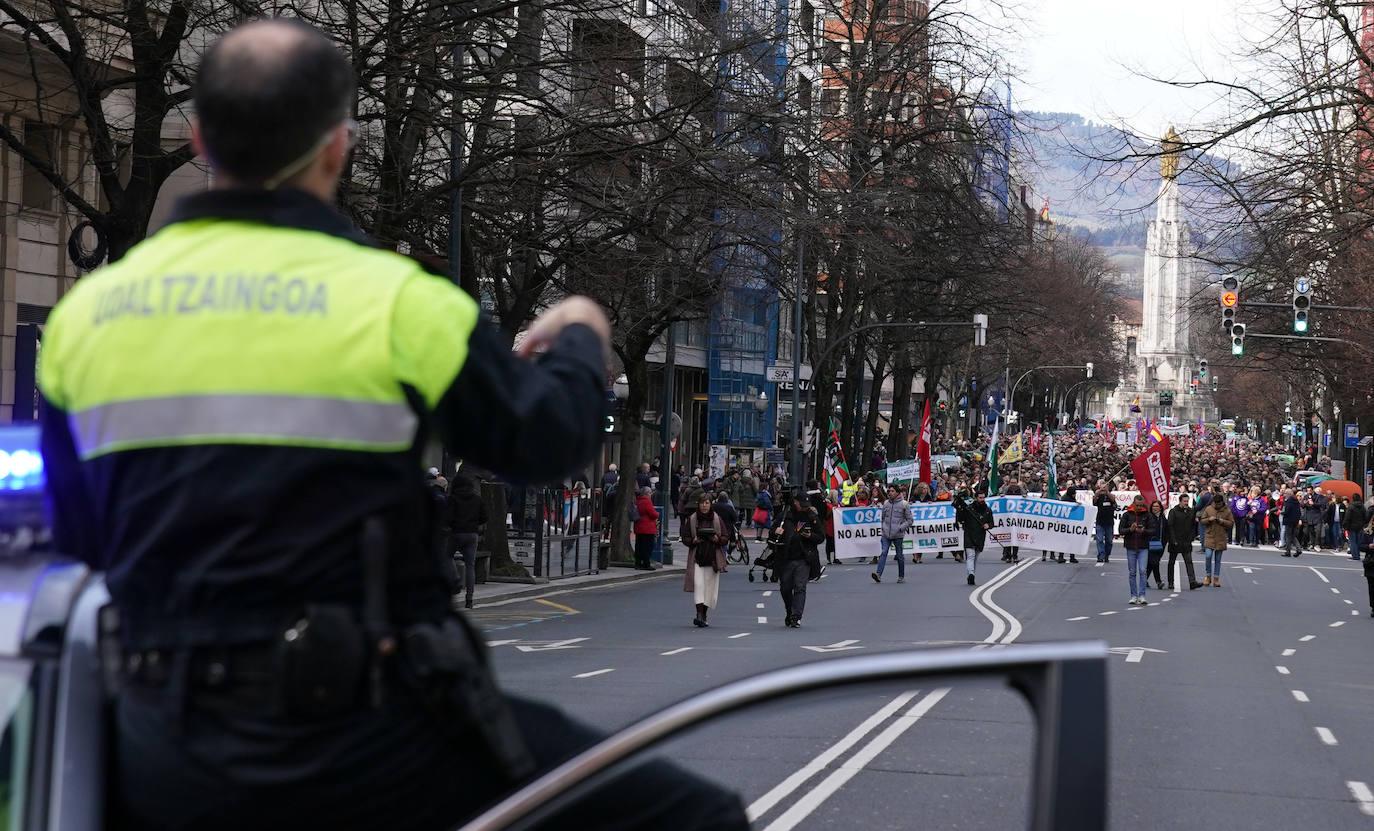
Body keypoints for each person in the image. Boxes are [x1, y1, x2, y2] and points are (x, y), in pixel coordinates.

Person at [36, 20, 745, 831]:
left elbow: (79, 538)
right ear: (338, 145)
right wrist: (582, 339)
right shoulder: (398, 301)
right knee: (697, 816)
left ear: (199, 138)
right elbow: (545, 441)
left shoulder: (85, 319)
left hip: (157, 737)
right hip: (361, 736)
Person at [776, 491, 822, 627]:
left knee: (800, 587)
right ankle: (789, 610)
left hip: (804, 557)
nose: (804, 507)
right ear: (795, 502)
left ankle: (796, 616)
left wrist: (810, 536)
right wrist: (776, 532)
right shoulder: (786, 516)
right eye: (802, 504)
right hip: (786, 557)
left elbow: (821, 536)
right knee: (785, 588)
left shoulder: (812, 516)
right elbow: (773, 532)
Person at [683, 494, 728, 627]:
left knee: (709, 589)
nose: (704, 506)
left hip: (712, 559)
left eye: (707, 503)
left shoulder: (717, 519)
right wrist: (693, 541)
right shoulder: (692, 519)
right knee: (699, 586)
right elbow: (685, 537)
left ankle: (704, 615)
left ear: (710, 504)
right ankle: (698, 614)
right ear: (698, 504)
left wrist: (717, 539)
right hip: (697, 558)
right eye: (702, 503)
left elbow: (725, 537)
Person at [447, 471, 488, 609]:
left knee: (447, 556)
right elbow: (484, 517)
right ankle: (469, 599)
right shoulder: (477, 499)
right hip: (472, 534)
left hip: (456, 533)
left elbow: (448, 517)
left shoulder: (453, 498)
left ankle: (456, 579)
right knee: (470, 565)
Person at [954, 489, 994, 586]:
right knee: (970, 556)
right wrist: (960, 509)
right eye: (980, 498)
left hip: (980, 536)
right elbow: (961, 518)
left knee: (975, 557)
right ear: (976, 498)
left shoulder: (988, 510)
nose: (982, 499)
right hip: (969, 534)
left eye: (983, 498)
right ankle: (971, 574)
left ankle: (971, 574)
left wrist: (988, 525)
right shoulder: (969, 509)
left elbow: (991, 523)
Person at [873, 486, 912, 582]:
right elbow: (883, 518)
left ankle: (901, 576)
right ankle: (878, 574)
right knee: (884, 552)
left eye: (892, 491)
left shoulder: (904, 504)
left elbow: (910, 520)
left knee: (899, 555)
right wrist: (883, 527)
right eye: (889, 491)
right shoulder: (886, 503)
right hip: (886, 534)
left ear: (897, 492)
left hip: (898, 534)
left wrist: (901, 528)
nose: (890, 493)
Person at [1166, 492, 1203, 590]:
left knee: (1189, 562)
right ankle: (1170, 582)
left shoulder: (1191, 511)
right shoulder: (1173, 511)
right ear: (1180, 501)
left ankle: (1192, 582)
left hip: (1186, 541)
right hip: (1175, 541)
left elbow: (1193, 526)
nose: (1186, 503)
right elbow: (1170, 526)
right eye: (1184, 501)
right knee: (1171, 562)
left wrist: (1191, 537)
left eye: (1187, 501)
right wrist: (1173, 539)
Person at [1119, 495, 1151, 605]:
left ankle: (1142, 595)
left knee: (1143, 571)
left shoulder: (1147, 515)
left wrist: (1144, 531)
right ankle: (1133, 595)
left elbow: (1153, 530)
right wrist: (1130, 529)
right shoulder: (1127, 514)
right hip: (1131, 546)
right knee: (1132, 572)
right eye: (1137, 505)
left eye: (1141, 505)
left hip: (1143, 547)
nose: (1139, 507)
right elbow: (1120, 530)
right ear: (1133, 504)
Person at [1200, 486, 1234, 586]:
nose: (1216, 505)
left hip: (1221, 537)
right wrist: (1208, 520)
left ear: (1222, 502)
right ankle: (1208, 576)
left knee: (1218, 560)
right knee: (1208, 556)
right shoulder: (1209, 509)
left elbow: (1231, 523)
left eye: (1218, 503)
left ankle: (1216, 578)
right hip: (1210, 536)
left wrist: (1222, 521)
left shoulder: (1227, 511)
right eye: (1215, 503)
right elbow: (1202, 521)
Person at [633, 487, 660, 570]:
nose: (651, 494)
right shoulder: (647, 501)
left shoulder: (638, 501)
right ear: (646, 493)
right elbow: (653, 514)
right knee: (647, 547)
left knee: (639, 546)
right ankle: (646, 563)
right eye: (650, 493)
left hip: (638, 526)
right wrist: (657, 514)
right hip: (647, 528)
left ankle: (638, 563)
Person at [1145, 499, 1167, 590]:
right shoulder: (1149, 517)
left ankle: (1144, 579)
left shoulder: (1162, 518)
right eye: (1153, 506)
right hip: (1151, 542)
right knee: (1155, 562)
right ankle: (1158, 582)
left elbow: (1166, 530)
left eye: (1157, 506)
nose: (1155, 508)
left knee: (1152, 563)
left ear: (1160, 508)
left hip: (1161, 543)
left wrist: (1165, 541)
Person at [1093, 486, 1116, 565]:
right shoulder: (1098, 496)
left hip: (1109, 522)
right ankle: (1101, 555)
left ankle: (1107, 555)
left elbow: (1113, 500)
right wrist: (1098, 492)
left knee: (1109, 541)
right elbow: (1094, 501)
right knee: (1099, 540)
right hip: (1100, 522)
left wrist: (1107, 492)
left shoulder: (1111, 495)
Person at [1343, 495, 1368, 562]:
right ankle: (1358, 554)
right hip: (1360, 526)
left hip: (1352, 526)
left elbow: (1347, 517)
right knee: (1358, 541)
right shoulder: (1363, 507)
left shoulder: (1351, 507)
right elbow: (1366, 517)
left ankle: (1355, 556)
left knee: (1353, 541)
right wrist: (1364, 524)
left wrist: (1345, 525)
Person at [1281, 488, 1304, 558]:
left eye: (1285, 493)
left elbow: (1287, 511)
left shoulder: (1288, 501)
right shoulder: (1296, 501)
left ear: (1288, 494)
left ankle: (1288, 551)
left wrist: (1281, 512)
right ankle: (1298, 549)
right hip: (1295, 521)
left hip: (1289, 520)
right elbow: (1299, 512)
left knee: (1288, 536)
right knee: (1293, 536)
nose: (1284, 495)